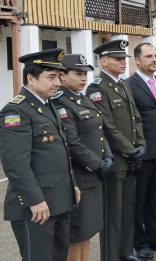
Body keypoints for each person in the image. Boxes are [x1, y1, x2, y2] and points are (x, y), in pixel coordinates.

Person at [0, 49, 80, 261]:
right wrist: (34, 200)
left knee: (57, 256)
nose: (57, 83)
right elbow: (15, 164)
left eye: (59, 77)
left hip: (59, 199)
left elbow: (58, 153)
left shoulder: (47, 104)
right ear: (30, 78)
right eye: (51, 77)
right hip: (37, 207)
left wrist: (72, 185)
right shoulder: (16, 111)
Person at [85, 40, 145, 261]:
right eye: (118, 59)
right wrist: (130, 150)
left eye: (124, 59)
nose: (123, 62)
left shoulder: (123, 85)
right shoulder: (97, 89)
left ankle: (125, 252)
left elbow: (135, 118)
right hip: (115, 159)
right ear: (103, 61)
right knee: (112, 214)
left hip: (130, 158)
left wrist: (141, 144)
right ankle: (110, 257)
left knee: (127, 210)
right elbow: (107, 127)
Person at [53, 54, 111, 261]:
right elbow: (72, 142)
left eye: (85, 73)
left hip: (93, 175)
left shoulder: (81, 97)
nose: (83, 78)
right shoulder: (61, 102)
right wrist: (97, 164)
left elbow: (99, 130)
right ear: (62, 75)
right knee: (76, 233)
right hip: (81, 175)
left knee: (88, 230)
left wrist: (108, 156)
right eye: (78, 73)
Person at [126, 43, 156, 258]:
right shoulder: (128, 85)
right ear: (137, 60)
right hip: (142, 152)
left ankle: (154, 237)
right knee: (139, 201)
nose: (154, 59)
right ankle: (141, 242)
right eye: (149, 56)